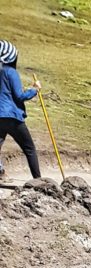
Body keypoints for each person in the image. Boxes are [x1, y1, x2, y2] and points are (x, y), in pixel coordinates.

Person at [0, 41, 41, 180]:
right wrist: (34, 90)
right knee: (29, 149)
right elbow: (19, 96)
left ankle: (0, 173)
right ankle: (38, 180)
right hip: (12, 117)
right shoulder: (11, 72)